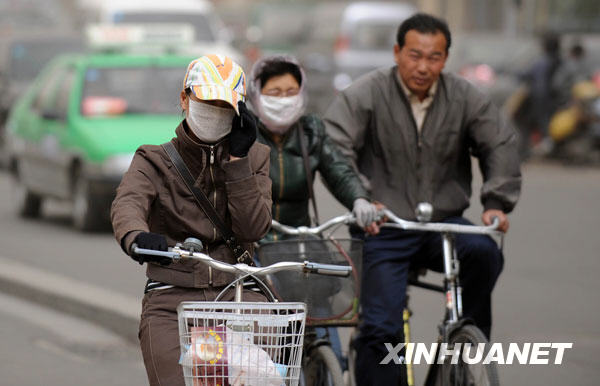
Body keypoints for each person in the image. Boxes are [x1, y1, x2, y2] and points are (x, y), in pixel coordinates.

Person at [324, 13, 521, 385]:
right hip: (384, 225)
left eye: (434, 57)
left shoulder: (464, 97)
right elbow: (335, 146)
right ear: (397, 52)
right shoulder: (367, 93)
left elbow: (499, 143)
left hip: (443, 224)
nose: (423, 66)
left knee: (484, 252)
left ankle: (463, 345)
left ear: (446, 58)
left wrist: (497, 201)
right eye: (415, 55)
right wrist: (361, 198)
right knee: (380, 329)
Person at [110, 54, 272, 386]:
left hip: (238, 292)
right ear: (184, 99)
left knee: (273, 370)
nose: (215, 111)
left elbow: (253, 228)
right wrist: (137, 237)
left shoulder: (255, 157)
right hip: (172, 295)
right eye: (206, 101)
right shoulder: (152, 160)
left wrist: (238, 161)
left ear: (239, 112)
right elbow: (128, 203)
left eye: (224, 105)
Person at [247, 54, 379, 367]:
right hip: (253, 242)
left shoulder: (311, 130)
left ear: (302, 92)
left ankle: (328, 362)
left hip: (300, 240)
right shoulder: (243, 132)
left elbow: (338, 169)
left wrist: (360, 200)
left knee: (323, 304)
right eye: (274, 92)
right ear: (255, 93)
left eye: (290, 92)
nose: (283, 100)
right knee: (262, 327)